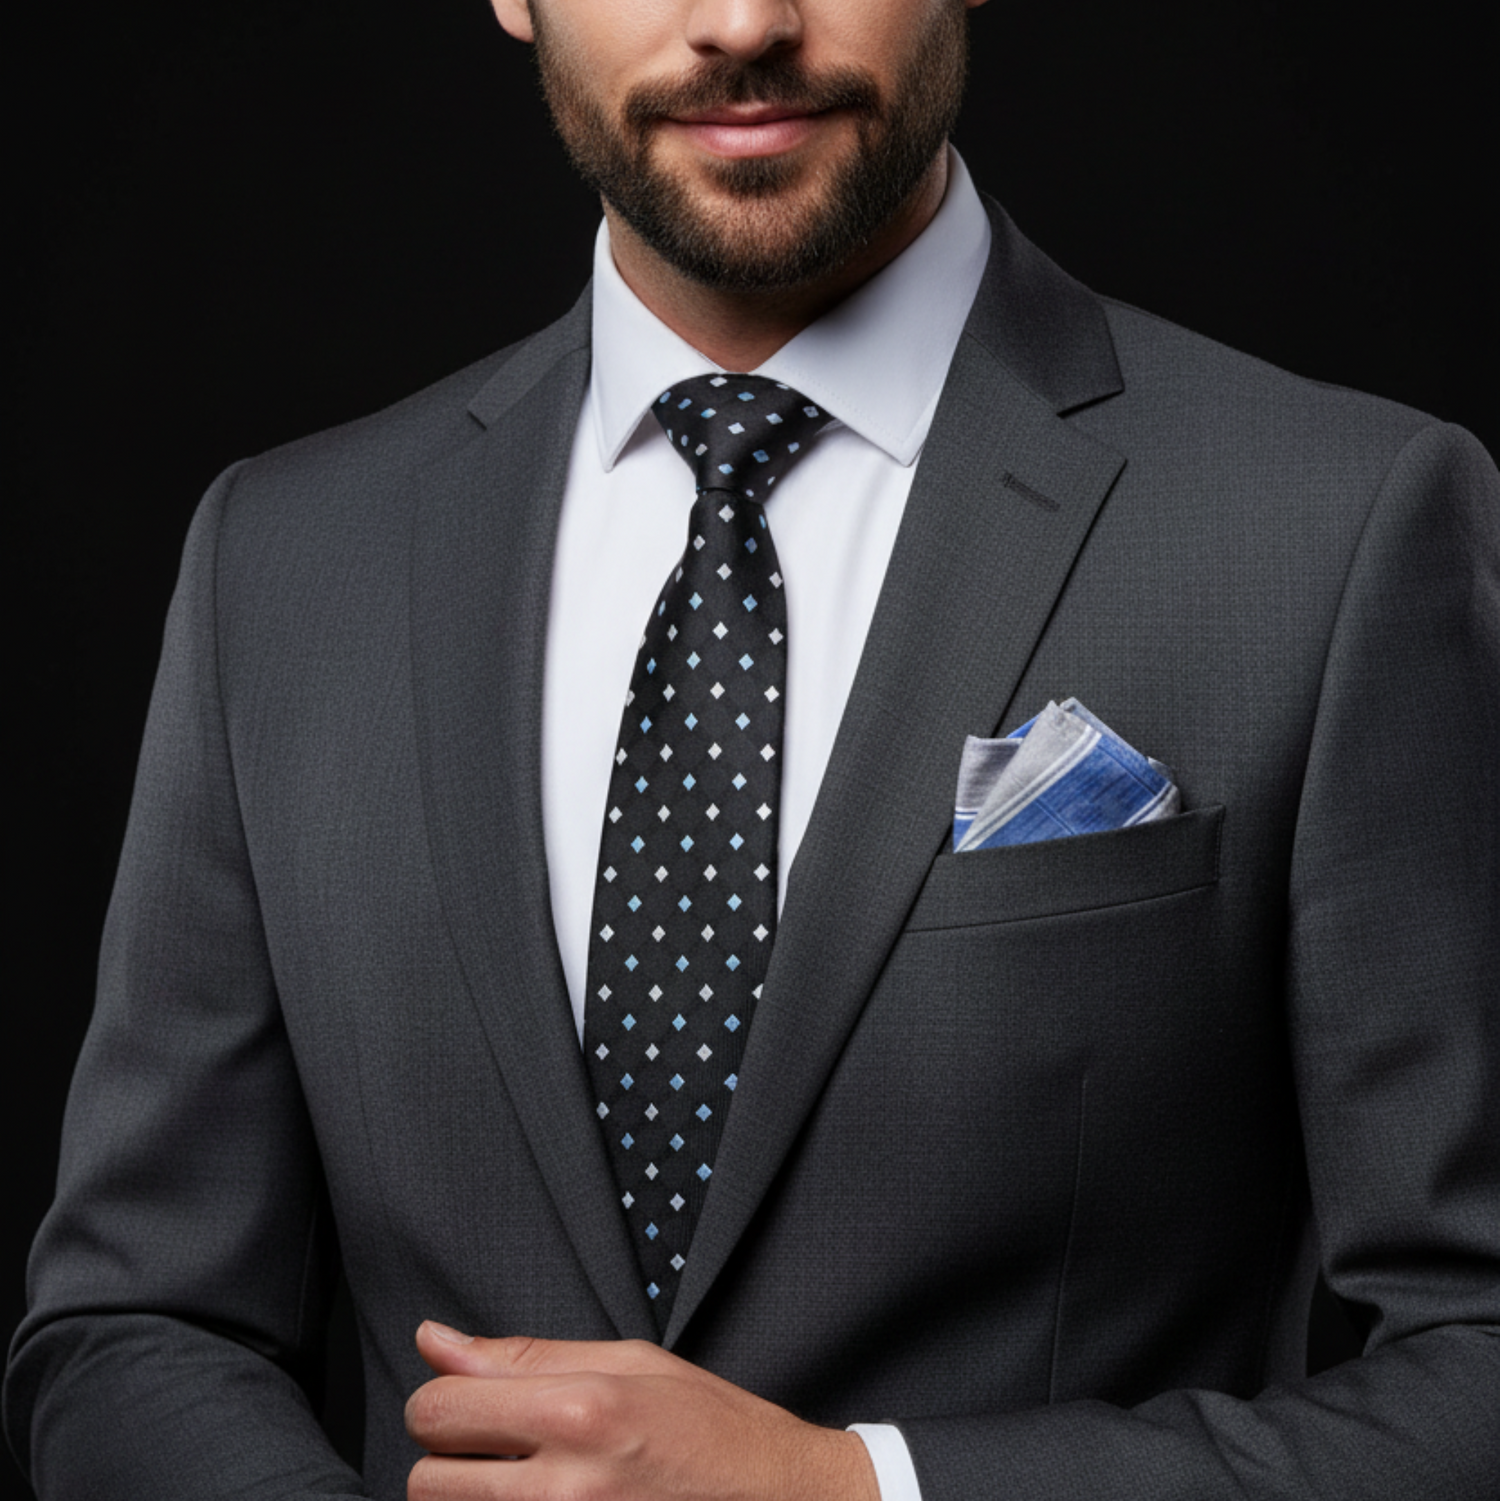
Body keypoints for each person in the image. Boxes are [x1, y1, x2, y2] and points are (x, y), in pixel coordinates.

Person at [7, 0, 1498, 1496]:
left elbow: (1476, 1358)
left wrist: (862, 1489)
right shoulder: (284, 562)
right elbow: (140, 1323)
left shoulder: (1342, 528)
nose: (742, 23)